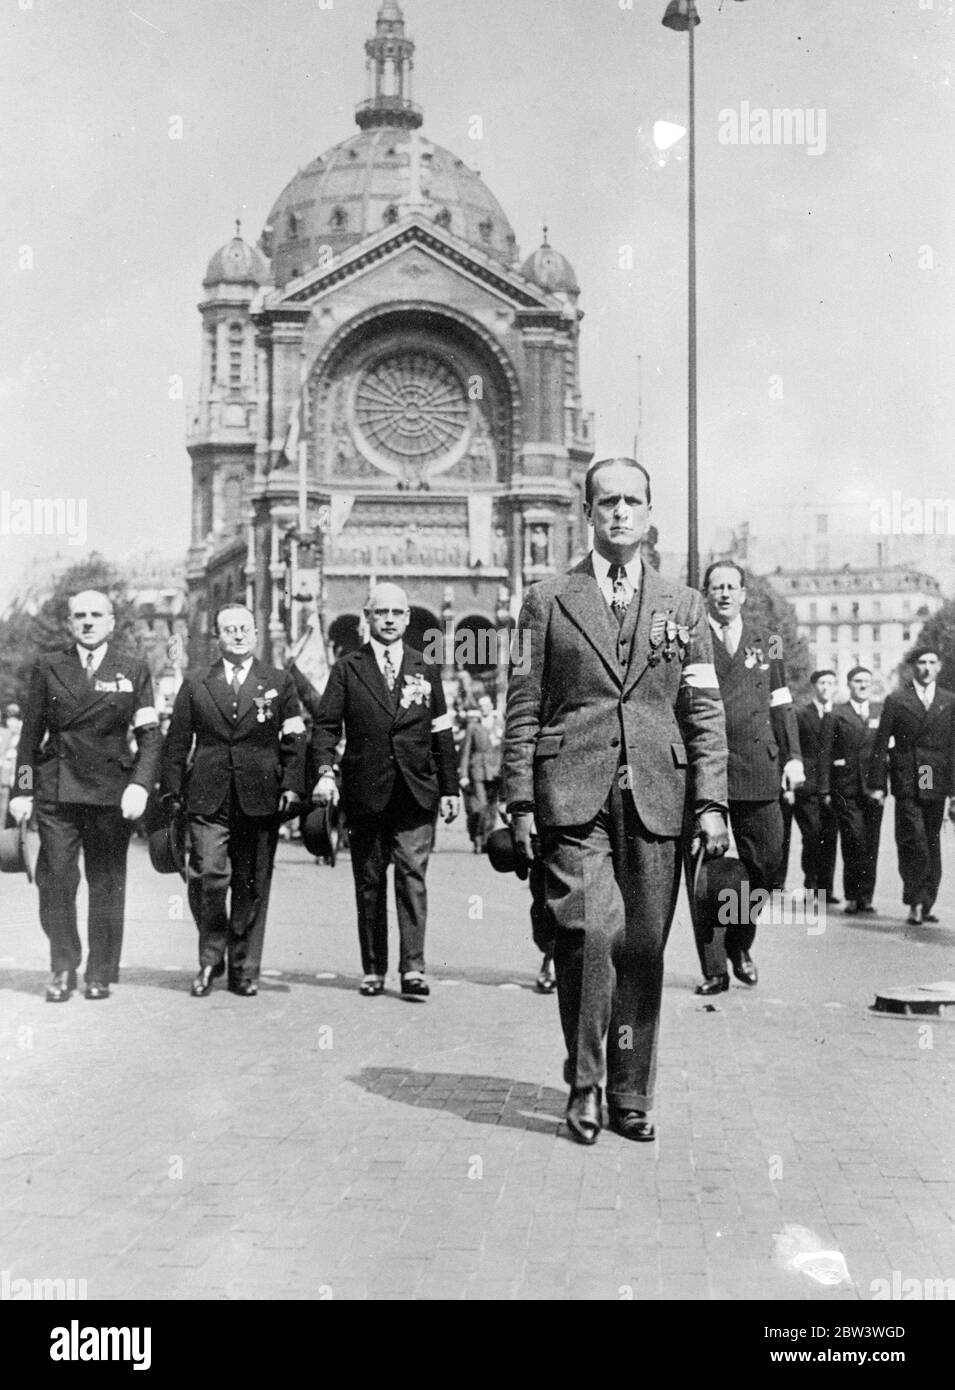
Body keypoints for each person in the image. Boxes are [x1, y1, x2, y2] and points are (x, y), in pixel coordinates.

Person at [503, 458, 729, 1145]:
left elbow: (703, 711)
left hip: (658, 794)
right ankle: (585, 1081)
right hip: (572, 795)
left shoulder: (684, 606)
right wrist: (517, 801)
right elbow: (521, 704)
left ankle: (631, 1092)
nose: (621, 513)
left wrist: (712, 803)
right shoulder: (547, 600)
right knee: (587, 935)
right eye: (608, 502)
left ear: (650, 512)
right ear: (588, 513)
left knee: (640, 948)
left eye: (633, 501)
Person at [9, 590, 161, 1002]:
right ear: (70, 623)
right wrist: (21, 788)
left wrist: (140, 785)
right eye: (80, 616)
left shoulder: (132, 668)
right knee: (55, 881)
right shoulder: (48, 667)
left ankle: (100, 971)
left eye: (97, 615)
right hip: (59, 789)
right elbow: (28, 739)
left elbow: (150, 737)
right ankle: (62, 965)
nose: (88, 622)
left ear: (112, 622)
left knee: (107, 884)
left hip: (112, 792)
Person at [310, 582, 460, 998]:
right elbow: (325, 727)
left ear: (408, 618)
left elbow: (440, 730)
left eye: (397, 613)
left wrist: (450, 787)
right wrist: (325, 772)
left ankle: (413, 969)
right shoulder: (347, 669)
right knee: (370, 881)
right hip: (366, 793)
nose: (390, 620)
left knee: (412, 876)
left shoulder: (424, 666)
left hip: (416, 792)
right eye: (382, 613)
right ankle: (373, 968)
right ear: (368, 617)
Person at [162, 603, 306, 997]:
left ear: (256, 633)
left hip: (261, 797)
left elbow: (294, 739)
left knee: (251, 885)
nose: (239, 635)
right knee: (208, 876)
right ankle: (211, 957)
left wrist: (292, 785)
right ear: (217, 636)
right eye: (230, 630)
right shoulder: (196, 683)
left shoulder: (279, 682)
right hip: (208, 798)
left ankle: (244, 967)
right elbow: (177, 743)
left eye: (245, 628)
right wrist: (171, 791)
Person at [699, 561, 804, 995]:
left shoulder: (767, 641)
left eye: (731, 587)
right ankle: (715, 970)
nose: (724, 594)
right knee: (707, 877)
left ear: (743, 594)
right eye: (716, 587)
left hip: (761, 770)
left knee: (765, 869)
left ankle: (741, 943)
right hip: (710, 772)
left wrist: (794, 757)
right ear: (706, 593)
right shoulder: (693, 639)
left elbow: (781, 702)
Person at [867, 648, 955, 925]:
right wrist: (877, 784)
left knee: (931, 839)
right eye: (921, 663)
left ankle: (927, 901)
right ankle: (914, 901)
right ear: (912, 667)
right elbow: (881, 744)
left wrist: (954, 792)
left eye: (931, 663)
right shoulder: (897, 700)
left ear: (939, 667)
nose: (926, 668)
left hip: (934, 774)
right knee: (912, 840)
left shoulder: (949, 701)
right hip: (907, 776)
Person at [819, 665, 885, 915]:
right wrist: (824, 789)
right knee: (853, 841)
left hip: (875, 788)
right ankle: (852, 896)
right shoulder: (836, 714)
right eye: (857, 681)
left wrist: (882, 785)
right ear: (849, 684)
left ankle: (866, 897)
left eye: (867, 681)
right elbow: (825, 753)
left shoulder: (880, 712)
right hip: (846, 790)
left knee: (872, 844)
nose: (863, 685)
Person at [792, 669, 840, 903]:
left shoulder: (839, 714)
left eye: (831, 683)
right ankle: (810, 883)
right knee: (811, 835)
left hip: (833, 785)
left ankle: (827, 889)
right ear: (814, 686)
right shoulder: (801, 714)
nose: (826, 687)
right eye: (822, 683)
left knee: (830, 836)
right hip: (809, 785)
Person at [458, 693, 503, 853]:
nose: (484, 709)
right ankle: (477, 838)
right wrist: (463, 775)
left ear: (491, 706)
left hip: (495, 770)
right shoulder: (473, 727)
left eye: (486, 705)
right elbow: (466, 751)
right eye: (481, 706)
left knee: (491, 807)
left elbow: (504, 749)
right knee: (480, 806)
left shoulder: (499, 725)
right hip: (477, 770)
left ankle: (487, 840)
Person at [0, 702, 23, 827]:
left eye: (15, 719)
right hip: (5, 772)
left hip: (21, 772)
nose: (12, 722)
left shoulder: (24, 735)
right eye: (10, 719)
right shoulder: (3, 734)